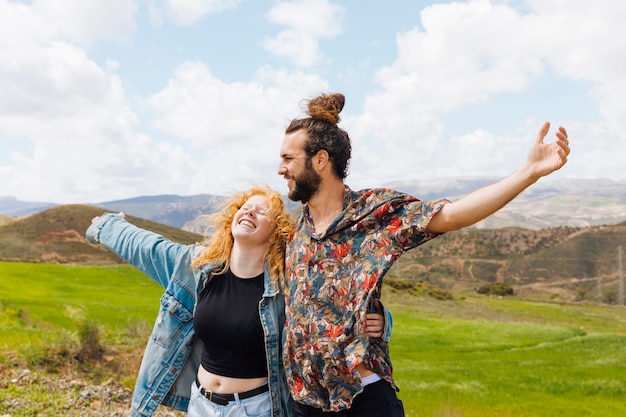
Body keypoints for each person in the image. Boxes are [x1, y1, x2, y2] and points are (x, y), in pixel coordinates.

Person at [277, 93, 570, 416]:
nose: (281, 169)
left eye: (288, 159)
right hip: (305, 404)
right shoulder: (297, 229)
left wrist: (527, 172)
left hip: (362, 402)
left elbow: (454, 215)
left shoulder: (375, 214)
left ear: (320, 160)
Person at [85, 186, 295, 417]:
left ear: (276, 231)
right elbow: (149, 248)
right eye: (245, 208)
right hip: (200, 405)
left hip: (255, 409)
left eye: (262, 211)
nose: (249, 213)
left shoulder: (285, 287)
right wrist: (107, 226)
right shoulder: (197, 268)